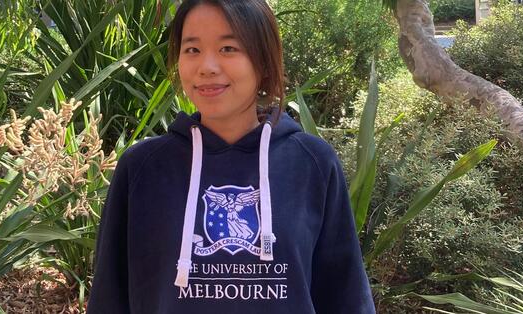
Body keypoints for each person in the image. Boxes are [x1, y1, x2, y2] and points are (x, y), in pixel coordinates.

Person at [87, 0, 376, 313]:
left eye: (228, 48)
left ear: (263, 61)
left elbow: (345, 297)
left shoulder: (312, 164)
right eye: (192, 49)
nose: (207, 66)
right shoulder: (142, 167)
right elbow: (109, 297)